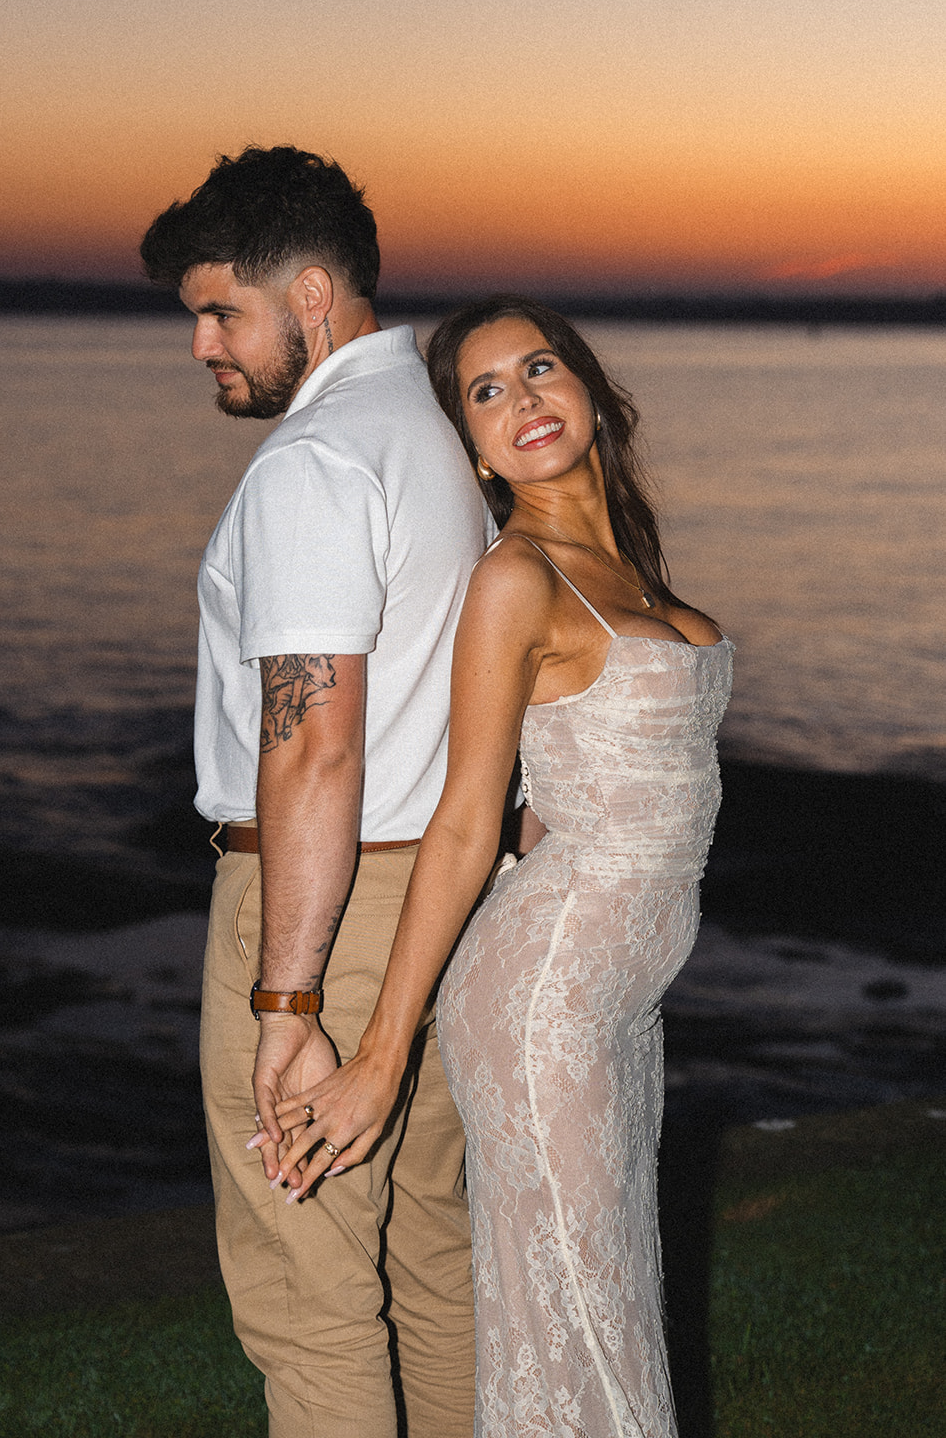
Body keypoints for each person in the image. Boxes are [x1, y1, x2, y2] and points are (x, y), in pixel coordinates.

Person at [269, 296, 734, 1438]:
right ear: (470, 446)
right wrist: (382, 1054)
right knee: (578, 1315)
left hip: (619, 1004)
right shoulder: (517, 579)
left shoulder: (626, 566)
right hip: (539, 1006)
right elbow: (466, 822)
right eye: (485, 391)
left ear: (588, 388)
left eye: (538, 368)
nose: (521, 399)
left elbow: (581, 779)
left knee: (611, 1300)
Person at [139, 147, 486, 1438]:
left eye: (221, 311)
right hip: (435, 907)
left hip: (320, 915)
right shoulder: (437, 441)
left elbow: (311, 745)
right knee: (427, 1263)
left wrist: (285, 997)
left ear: (315, 294)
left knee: (309, 1295)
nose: (201, 347)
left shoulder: (316, 463)